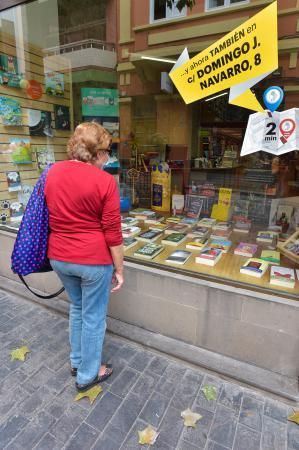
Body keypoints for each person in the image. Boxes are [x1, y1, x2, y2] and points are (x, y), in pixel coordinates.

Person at [45, 122, 124, 392]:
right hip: (92, 260)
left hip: (59, 256)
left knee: (77, 308)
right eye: (107, 152)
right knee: (93, 317)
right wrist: (120, 268)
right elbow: (113, 232)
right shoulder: (105, 181)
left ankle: (77, 362)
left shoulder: (52, 172)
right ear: (98, 152)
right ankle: (88, 375)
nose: (108, 158)